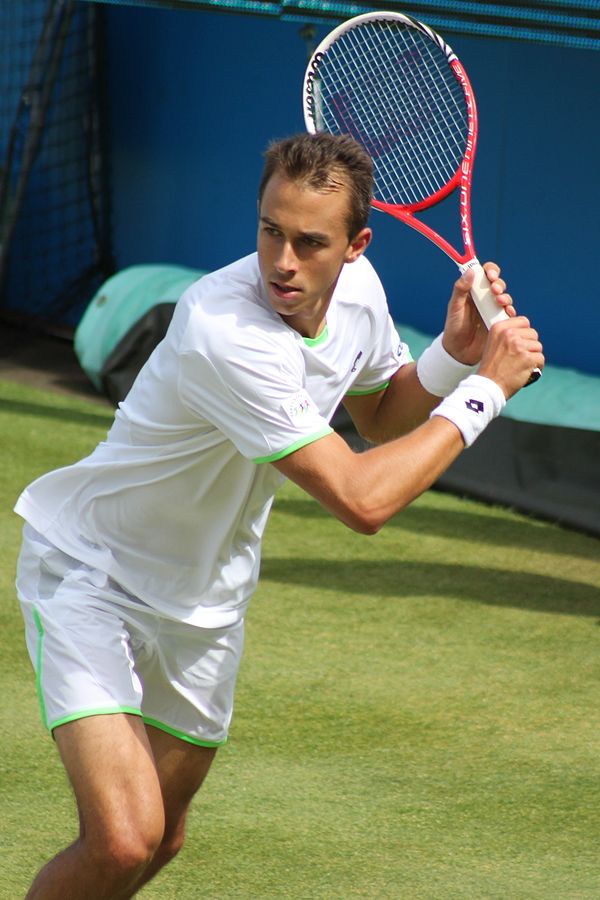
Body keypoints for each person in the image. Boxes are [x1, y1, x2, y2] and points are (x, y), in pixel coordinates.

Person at [15, 132, 544, 898]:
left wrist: (455, 357)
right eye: (270, 231)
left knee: (161, 839)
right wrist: (487, 389)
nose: (283, 262)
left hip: (206, 600)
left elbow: (381, 417)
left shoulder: (360, 295)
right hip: (95, 574)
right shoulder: (222, 331)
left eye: (309, 242)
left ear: (357, 246)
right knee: (124, 841)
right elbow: (363, 500)